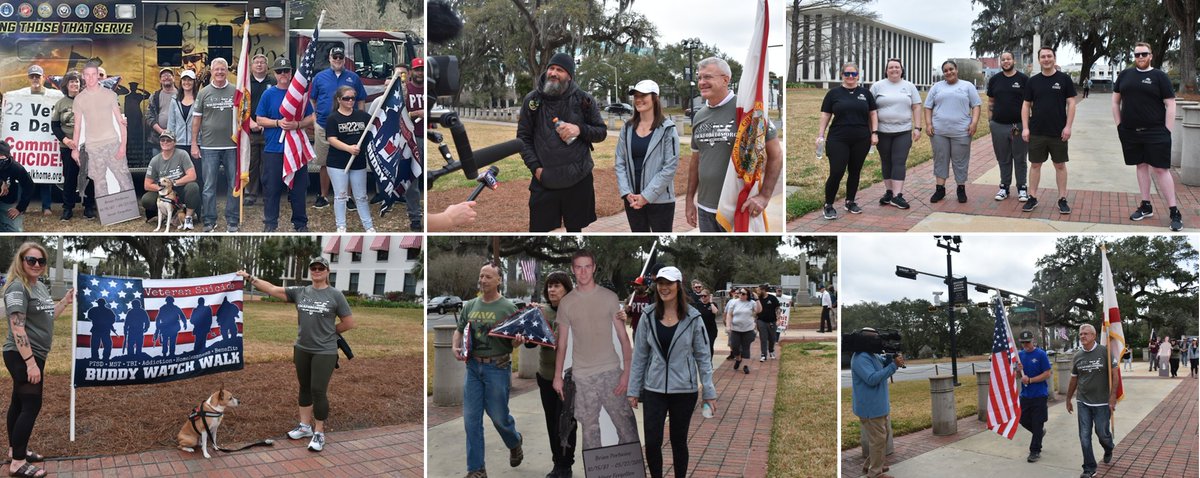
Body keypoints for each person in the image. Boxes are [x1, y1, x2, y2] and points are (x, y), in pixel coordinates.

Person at [236, 256, 356, 453]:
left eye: (321, 268)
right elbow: (273, 289)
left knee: (318, 390)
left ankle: (319, 432)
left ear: (327, 272)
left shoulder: (335, 295)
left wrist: (329, 332)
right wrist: (249, 277)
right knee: (304, 388)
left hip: (324, 351)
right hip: (302, 348)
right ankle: (304, 427)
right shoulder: (301, 292)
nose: (317, 271)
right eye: (314, 268)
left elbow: (349, 323)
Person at [627, 266, 717, 478]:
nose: (664, 288)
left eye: (668, 283)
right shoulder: (648, 316)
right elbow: (639, 355)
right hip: (653, 389)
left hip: (684, 390)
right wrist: (633, 389)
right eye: (660, 283)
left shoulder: (693, 317)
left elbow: (703, 357)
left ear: (678, 285)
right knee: (651, 442)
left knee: (678, 442)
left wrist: (709, 391)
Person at [552, 250, 638, 450]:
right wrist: (558, 376)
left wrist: (627, 373)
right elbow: (562, 343)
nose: (583, 272)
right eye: (579, 267)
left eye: (587, 267)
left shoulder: (609, 298)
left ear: (594, 268)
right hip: (582, 377)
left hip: (611, 373)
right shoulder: (566, 303)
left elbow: (623, 338)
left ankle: (629, 471)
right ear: (573, 270)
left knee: (626, 427)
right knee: (589, 431)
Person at [687, 57, 781, 230]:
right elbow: (696, 161)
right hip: (705, 209)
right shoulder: (699, 116)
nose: (702, 82)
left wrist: (765, 196)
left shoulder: (747, 111)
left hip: (738, 208)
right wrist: (689, 201)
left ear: (725, 80)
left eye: (707, 77)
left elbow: (776, 155)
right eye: (699, 78)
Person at [4, 242, 72, 478]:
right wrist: (31, 363)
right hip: (21, 355)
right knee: (32, 405)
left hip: (34, 354)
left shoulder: (39, 286)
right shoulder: (17, 288)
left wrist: (64, 301)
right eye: (31, 260)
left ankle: (15, 450)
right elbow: (18, 328)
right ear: (21, 261)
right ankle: (18, 463)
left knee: (19, 402)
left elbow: (48, 316)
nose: (36, 265)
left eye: (41, 261)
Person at [517, 52, 606, 232]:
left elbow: (601, 132)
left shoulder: (584, 100)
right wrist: (536, 169)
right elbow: (523, 138)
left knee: (575, 231)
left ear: (570, 76)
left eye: (560, 70)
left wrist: (579, 129)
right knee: (539, 232)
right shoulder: (532, 100)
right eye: (551, 68)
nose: (553, 73)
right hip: (545, 179)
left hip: (578, 178)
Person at [452, 261, 523, 478]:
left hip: (497, 368)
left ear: (499, 280)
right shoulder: (471, 305)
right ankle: (477, 470)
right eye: (481, 276)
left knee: (499, 417)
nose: (483, 280)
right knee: (471, 420)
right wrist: (456, 345)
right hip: (473, 368)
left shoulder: (508, 308)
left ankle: (515, 441)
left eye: (488, 277)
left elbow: (514, 340)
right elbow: (460, 329)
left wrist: (517, 342)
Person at [1113, 42, 1181, 231]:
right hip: (1130, 132)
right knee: (1141, 166)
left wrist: (1167, 130)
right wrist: (1120, 126)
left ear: (1150, 55)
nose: (1140, 58)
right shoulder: (1125, 75)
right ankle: (1146, 205)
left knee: (1160, 170)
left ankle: (1174, 211)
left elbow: (1171, 104)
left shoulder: (1160, 76)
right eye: (1137, 55)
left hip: (1156, 132)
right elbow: (1115, 102)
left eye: (1144, 54)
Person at [255, 58, 314, 232]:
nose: (283, 75)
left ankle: (300, 223)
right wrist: (277, 123)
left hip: (296, 149)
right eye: (279, 71)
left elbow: (311, 117)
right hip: (274, 149)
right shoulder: (268, 94)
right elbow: (259, 119)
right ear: (274, 74)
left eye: (286, 71)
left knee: (298, 190)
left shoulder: (300, 95)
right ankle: (270, 224)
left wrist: (297, 125)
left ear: (291, 73)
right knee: (271, 190)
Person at [615, 79, 679, 232]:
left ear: (655, 98)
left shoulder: (668, 129)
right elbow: (620, 162)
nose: (638, 99)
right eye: (636, 95)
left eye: (643, 95)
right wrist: (626, 193)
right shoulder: (627, 128)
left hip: (660, 200)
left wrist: (646, 196)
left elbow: (669, 167)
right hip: (632, 199)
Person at [816, 62, 877, 220]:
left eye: (854, 74)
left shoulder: (866, 93)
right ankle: (828, 205)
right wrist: (820, 135)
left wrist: (874, 133)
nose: (851, 77)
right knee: (837, 171)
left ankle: (850, 201)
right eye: (847, 74)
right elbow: (825, 115)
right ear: (842, 75)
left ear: (858, 75)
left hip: (861, 138)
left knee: (855, 172)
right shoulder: (833, 94)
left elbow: (873, 114)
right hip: (838, 138)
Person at [1021, 46, 1077, 214]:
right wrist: (1025, 128)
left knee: (1059, 165)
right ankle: (1032, 197)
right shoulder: (1033, 81)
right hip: (1037, 131)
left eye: (1049, 56)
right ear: (1039, 60)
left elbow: (1072, 103)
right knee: (1035, 164)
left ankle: (1062, 199)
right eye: (1043, 57)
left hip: (1058, 132)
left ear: (1054, 58)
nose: (1046, 59)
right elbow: (1026, 105)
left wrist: (1068, 126)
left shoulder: (1064, 79)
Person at [310, 47, 367, 209]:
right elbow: (312, 99)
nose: (337, 59)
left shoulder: (353, 77)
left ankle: (347, 197)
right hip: (323, 125)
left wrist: (359, 118)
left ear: (344, 59)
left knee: (347, 160)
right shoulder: (319, 77)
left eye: (340, 57)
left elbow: (361, 99)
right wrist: (314, 119)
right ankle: (323, 196)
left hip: (347, 126)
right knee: (324, 162)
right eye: (334, 57)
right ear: (329, 58)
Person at [533, 271, 576, 478]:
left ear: (567, 289)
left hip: (570, 379)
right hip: (546, 376)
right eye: (549, 285)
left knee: (565, 423)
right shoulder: (540, 312)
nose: (552, 289)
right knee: (552, 422)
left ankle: (565, 465)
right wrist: (526, 336)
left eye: (557, 285)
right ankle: (557, 462)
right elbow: (533, 343)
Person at [191, 57, 240, 232]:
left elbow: (243, 117)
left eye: (223, 69)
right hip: (209, 146)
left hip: (232, 146)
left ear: (227, 71)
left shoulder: (236, 92)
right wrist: (194, 144)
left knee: (233, 184)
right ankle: (209, 220)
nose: (219, 72)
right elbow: (196, 120)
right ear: (211, 71)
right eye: (216, 69)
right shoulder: (204, 93)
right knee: (209, 185)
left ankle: (232, 220)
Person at [72, 61, 132, 198]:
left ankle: (126, 207)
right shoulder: (81, 99)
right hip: (92, 147)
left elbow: (119, 121)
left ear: (105, 77)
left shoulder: (111, 96)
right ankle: (106, 211)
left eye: (100, 75)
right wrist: (75, 148)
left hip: (112, 143)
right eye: (92, 75)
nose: (96, 78)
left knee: (121, 175)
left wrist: (123, 144)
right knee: (98, 180)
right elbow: (78, 126)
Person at [924, 60, 981, 204]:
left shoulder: (967, 86)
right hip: (939, 132)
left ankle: (960, 189)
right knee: (940, 159)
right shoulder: (936, 87)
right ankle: (940, 189)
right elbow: (928, 107)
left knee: (960, 161)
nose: (949, 72)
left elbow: (976, 105)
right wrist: (928, 123)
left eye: (951, 69)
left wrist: (973, 123)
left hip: (961, 132)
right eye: (945, 70)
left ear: (956, 69)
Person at [1065, 324, 1119, 478]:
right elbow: (1073, 379)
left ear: (1094, 336)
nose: (1082, 336)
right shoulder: (1077, 356)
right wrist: (1068, 398)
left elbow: (1115, 375)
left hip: (1102, 402)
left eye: (1086, 334)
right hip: (1083, 402)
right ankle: (1089, 468)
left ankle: (1108, 448)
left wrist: (1113, 396)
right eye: (1081, 334)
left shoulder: (1104, 352)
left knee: (1102, 433)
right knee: (1084, 435)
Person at [869, 58, 922, 209]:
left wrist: (917, 128)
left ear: (901, 70)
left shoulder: (909, 86)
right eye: (891, 67)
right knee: (886, 161)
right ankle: (889, 192)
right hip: (882, 131)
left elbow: (917, 107)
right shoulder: (877, 86)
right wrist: (872, 132)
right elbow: (870, 110)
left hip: (903, 131)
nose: (894, 69)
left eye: (897, 67)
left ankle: (897, 196)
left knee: (899, 161)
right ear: (886, 70)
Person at [851, 327, 903, 478]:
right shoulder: (861, 358)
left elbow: (882, 365)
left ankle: (871, 465)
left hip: (878, 406)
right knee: (878, 440)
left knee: (881, 438)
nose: (878, 341)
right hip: (870, 408)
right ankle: (874, 473)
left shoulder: (871, 355)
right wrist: (894, 366)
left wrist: (890, 358)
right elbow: (872, 379)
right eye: (875, 339)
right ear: (866, 341)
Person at [325, 85, 377, 233]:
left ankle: (368, 225)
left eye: (353, 98)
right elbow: (331, 139)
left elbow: (375, 125)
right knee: (341, 195)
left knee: (361, 196)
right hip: (337, 163)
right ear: (339, 100)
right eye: (346, 98)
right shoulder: (333, 118)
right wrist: (348, 148)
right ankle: (341, 225)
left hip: (358, 162)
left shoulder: (362, 116)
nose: (350, 101)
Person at [10, 65, 62, 216]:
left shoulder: (53, 95)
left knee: (46, 175)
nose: (35, 79)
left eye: (37, 76)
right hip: (26, 142)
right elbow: (9, 98)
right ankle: (22, 207)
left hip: (45, 141)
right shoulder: (22, 95)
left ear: (43, 77)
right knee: (23, 177)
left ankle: (46, 207)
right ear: (28, 78)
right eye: (32, 76)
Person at [51, 71, 95, 221]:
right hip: (68, 147)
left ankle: (89, 207)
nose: (74, 84)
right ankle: (67, 208)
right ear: (66, 85)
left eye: (77, 81)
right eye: (71, 82)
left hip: (87, 147)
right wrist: (66, 140)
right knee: (69, 178)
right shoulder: (60, 103)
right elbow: (55, 125)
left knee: (88, 177)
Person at [986, 52, 1030, 202]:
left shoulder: (1023, 80)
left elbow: (1029, 103)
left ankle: (1022, 188)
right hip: (998, 126)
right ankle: (1004, 187)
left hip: (1018, 125)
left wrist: (1027, 126)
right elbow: (991, 102)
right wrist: (990, 122)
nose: (1006, 61)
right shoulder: (994, 80)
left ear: (1014, 61)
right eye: (1003, 59)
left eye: (1008, 59)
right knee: (1003, 158)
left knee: (1020, 158)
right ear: (1000, 62)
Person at [140, 131, 200, 229]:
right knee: (146, 200)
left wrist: (174, 183)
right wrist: (163, 189)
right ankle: (165, 216)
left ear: (174, 142)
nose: (165, 142)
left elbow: (192, 175)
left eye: (168, 140)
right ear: (159, 142)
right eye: (162, 140)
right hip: (163, 191)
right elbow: (147, 185)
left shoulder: (182, 154)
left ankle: (188, 217)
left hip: (180, 188)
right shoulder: (155, 160)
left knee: (193, 187)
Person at [1015, 331, 1051, 463]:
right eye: (1023, 343)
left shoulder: (1041, 354)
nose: (1026, 345)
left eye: (1028, 342)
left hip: (1039, 395)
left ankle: (1035, 450)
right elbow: (1019, 376)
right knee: (1022, 419)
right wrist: (1018, 370)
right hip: (1025, 395)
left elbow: (1047, 373)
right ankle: (1039, 433)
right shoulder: (1020, 355)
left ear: (1033, 340)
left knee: (1037, 423)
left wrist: (1030, 380)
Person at [245, 54, 274, 207]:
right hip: (250, 130)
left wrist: (265, 123)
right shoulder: (246, 83)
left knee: (268, 165)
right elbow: (241, 105)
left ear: (267, 67)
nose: (259, 65)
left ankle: (268, 195)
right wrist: (250, 122)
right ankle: (250, 195)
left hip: (268, 131)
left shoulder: (273, 82)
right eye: (256, 62)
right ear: (251, 66)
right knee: (252, 164)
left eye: (262, 62)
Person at [723, 288, 760, 374]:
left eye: (743, 294)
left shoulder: (752, 303)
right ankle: (738, 359)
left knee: (745, 347)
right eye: (740, 293)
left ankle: (745, 366)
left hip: (748, 329)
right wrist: (728, 325)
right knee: (734, 346)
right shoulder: (734, 302)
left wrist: (757, 299)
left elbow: (759, 310)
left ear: (747, 295)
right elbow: (729, 314)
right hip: (735, 329)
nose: (741, 295)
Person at [0, 142, 34, 232]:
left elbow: (29, 186)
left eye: (2, 157)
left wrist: (20, 208)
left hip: (6, 201)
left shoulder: (16, 167)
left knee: (15, 230)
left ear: (8, 156)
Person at [146, 68, 177, 158]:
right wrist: (161, 131)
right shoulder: (155, 96)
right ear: (160, 80)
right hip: (158, 140)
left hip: (177, 139)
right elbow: (149, 116)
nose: (166, 77)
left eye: (169, 75)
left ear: (174, 78)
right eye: (163, 76)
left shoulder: (181, 95)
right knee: (159, 167)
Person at [755, 283, 780, 361]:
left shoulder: (772, 298)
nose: (757, 292)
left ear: (763, 290)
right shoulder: (757, 299)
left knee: (772, 338)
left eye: (759, 290)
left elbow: (778, 309)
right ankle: (763, 354)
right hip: (761, 321)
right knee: (763, 338)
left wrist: (778, 319)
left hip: (772, 321)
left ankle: (771, 351)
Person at [697, 288, 719, 361]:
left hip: (711, 329)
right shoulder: (698, 305)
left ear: (709, 296)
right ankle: (703, 361)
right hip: (701, 329)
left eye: (705, 296)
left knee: (709, 345)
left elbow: (715, 312)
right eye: (701, 296)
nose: (703, 297)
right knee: (702, 347)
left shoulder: (712, 305)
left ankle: (709, 361)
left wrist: (711, 302)